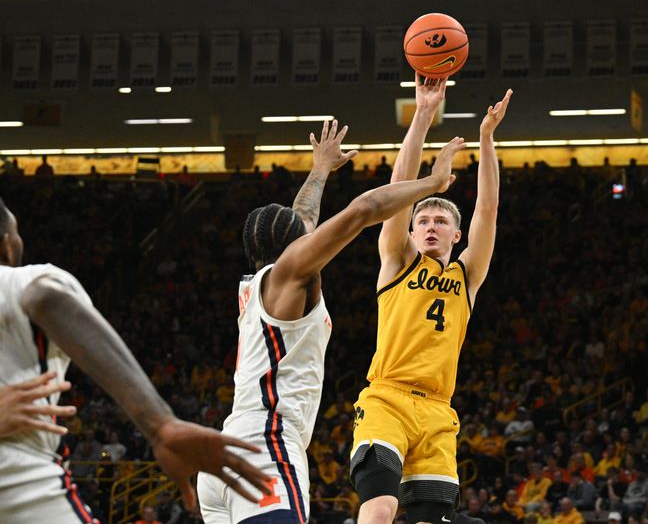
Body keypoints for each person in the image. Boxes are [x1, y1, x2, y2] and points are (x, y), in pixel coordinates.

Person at [196, 119, 464, 524]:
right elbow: (364, 210)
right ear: (295, 247)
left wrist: (320, 169)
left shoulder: (256, 284)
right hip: (265, 444)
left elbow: (303, 220)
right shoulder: (290, 275)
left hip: (227, 449)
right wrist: (433, 183)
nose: (310, 236)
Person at [0, 198, 272, 523]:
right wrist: (160, 426)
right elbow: (43, 293)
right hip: (17, 478)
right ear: (6, 244)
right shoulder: (22, 282)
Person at [350, 74, 513, 524]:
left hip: (438, 412)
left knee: (432, 519)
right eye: (422, 219)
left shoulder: (467, 275)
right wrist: (423, 114)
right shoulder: (399, 260)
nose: (429, 225)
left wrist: (486, 138)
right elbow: (396, 187)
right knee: (381, 506)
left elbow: (488, 208)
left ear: (456, 235)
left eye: (440, 220)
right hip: (388, 399)